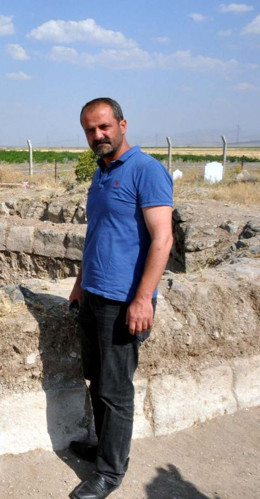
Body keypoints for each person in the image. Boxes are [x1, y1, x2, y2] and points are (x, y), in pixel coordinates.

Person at [68, 98, 173, 499]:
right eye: (90, 130)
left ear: (122, 125)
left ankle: (110, 472)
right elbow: (98, 233)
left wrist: (143, 299)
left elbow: (162, 240)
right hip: (94, 295)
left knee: (116, 391)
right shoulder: (101, 172)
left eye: (104, 127)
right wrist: (80, 283)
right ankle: (103, 448)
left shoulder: (146, 170)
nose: (98, 135)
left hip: (123, 301)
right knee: (97, 380)